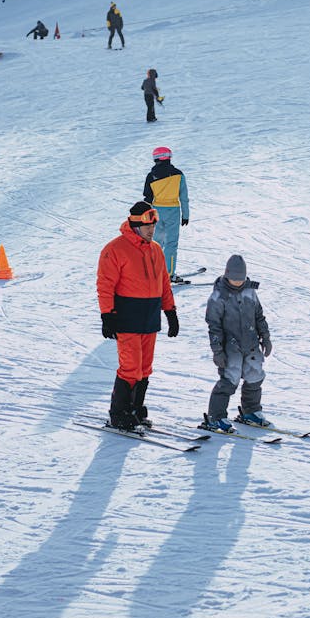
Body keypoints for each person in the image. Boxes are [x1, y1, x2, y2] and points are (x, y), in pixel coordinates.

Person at [97, 201, 179, 430]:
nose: (152, 230)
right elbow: (105, 285)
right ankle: (119, 414)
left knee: (145, 368)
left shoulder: (156, 250)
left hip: (150, 317)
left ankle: (136, 410)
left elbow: (164, 283)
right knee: (130, 367)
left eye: (153, 225)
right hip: (127, 317)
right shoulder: (115, 249)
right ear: (135, 225)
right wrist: (107, 315)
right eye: (147, 226)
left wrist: (170, 311)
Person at [203, 255, 272, 433]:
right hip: (230, 347)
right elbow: (214, 327)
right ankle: (216, 417)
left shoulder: (250, 291)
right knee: (229, 380)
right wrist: (217, 351)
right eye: (234, 279)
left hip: (251, 344)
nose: (237, 282)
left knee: (255, 377)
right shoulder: (219, 296)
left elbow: (259, 316)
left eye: (240, 279)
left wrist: (265, 336)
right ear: (227, 275)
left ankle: (251, 411)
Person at [143, 146, 189, 283]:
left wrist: (147, 218)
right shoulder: (178, 174)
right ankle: (169, 273)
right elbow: (184, 197)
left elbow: (147, 198)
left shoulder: (151, 176)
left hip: (157, 211)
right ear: (169, 157)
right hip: (173, 210)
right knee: (171, 243)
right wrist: (185, 215)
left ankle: (154, 271)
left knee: (156, 243)